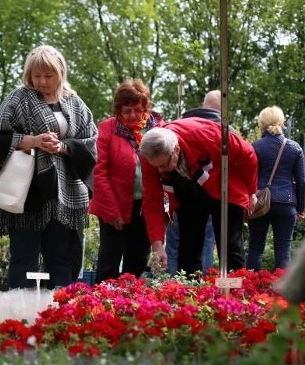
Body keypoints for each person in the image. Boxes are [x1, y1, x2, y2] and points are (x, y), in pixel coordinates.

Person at [0, 45, 97, 289]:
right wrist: (35, 141)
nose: (42, 81)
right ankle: (18, 311)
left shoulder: (75, 103)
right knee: (23, 256)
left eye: (48, 76)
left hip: (65, 195)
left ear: (61, 73)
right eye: (36, 75)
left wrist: (63, 147)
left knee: (61, 257)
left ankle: (60, 310)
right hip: (27, 191)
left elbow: (90, 143)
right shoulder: (18, 97)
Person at [139, 119, 257, 275]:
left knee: (230, 247)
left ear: (176, 149)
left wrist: (251, 191)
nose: (160, 171)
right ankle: (191, 292)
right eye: (156, 167)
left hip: (224, 185)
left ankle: (236, 292)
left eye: (164, 165)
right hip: (188, 193)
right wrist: (157, 246)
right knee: (188, 248)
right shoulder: (150, 157)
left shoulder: (204, 135)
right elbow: (152, 202)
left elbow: (247, 153)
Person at [90, 78, 164, 284]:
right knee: (109, 261)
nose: (132, 115)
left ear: (146, 108)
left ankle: (130, 305)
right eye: (126, 110)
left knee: (138, 259)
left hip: (145, 206)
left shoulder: (157, 129)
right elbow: (100, 172)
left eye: (137, 110)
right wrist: (112, 211)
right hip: (113, 204)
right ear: (118, 109)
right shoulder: (107, 128)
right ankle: (100, 307)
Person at [165, 90, 224, 275]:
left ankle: (176, 283)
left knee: (180, 243)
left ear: (203, 104)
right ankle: (206, 284)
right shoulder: (221, 128)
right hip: (214, 194)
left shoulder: (178, 125)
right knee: (207, 241)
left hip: (181, 195)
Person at [246, 106, 305, 271]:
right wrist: (301, 208)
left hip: (259, 203)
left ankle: (251, 289)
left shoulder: (255, 147)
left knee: (255, 248)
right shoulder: (294, 148)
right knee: (283, 250)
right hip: (286, 204)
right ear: (281, 122)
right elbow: (302, 181)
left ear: (261, 123)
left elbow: (249, 177)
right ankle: (281, 295)